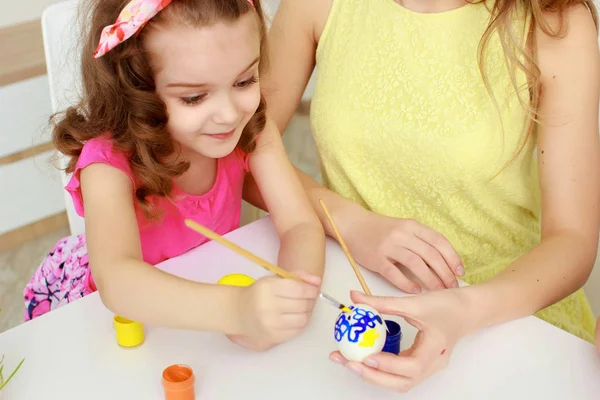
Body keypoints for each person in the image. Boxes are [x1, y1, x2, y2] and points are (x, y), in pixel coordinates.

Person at [253, 0, 600, 391]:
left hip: (508, 318)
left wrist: (465, 310)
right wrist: (350, 223)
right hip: (350, 299)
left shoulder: (556, 19)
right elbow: (245, 153)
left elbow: (572, 241)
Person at [23, 0, 326, 352]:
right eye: (195, 97)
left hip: (203, 301)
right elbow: (118, 281)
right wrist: (237, 310)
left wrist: (295, 292)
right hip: (117, 316)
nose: (229, 114)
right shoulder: (107, 164)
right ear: (139, 89)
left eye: (244, 80)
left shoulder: (253, 127)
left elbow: (300, 226)